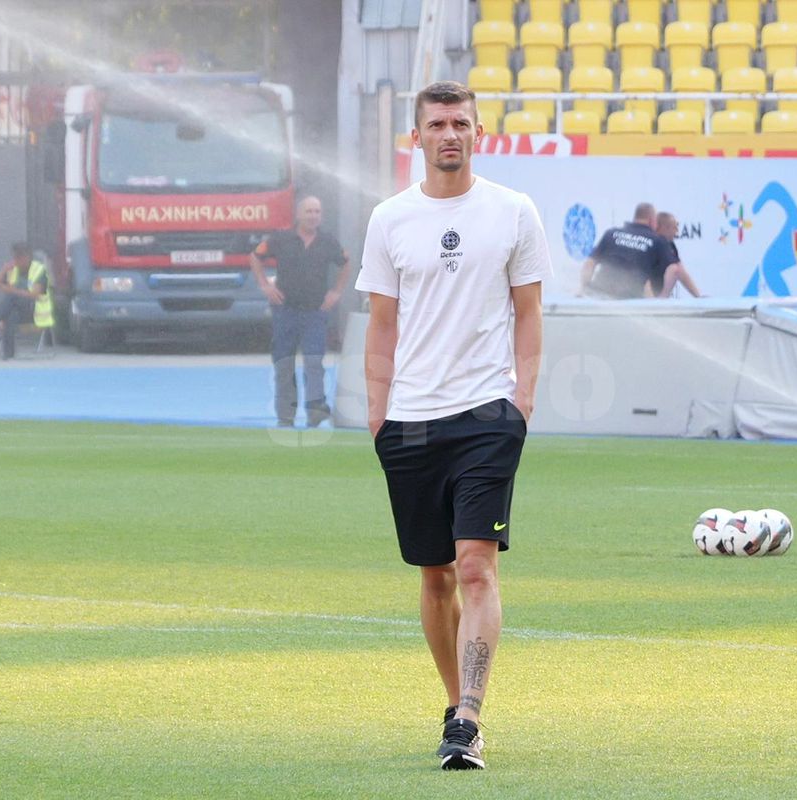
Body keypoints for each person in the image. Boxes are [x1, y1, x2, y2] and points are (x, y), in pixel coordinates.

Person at [356, 80, 551, 771]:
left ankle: (469, 715)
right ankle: (455, 706)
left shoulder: (513, 211)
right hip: (409, 420)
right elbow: (382, 325)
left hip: (487, 414)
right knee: (435, 574)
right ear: (417, 137)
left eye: (460, 123)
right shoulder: (390, 220)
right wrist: (378, 412)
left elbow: (529, 311)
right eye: (437, 124)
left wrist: (521, 400)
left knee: (474, 566)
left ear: (479, 133)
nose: (449, 134)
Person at [250, 196, 350, 427]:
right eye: (309, 211)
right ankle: (286, 415)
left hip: (315, 312)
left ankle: (316, 410)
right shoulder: (281, 239)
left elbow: (346, 262)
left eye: (317, 211)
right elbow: (256, 256)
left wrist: (336, 292)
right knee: (284, 363)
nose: (313, 216)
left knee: (314, 362)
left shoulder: (328, 241)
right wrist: (265, 285)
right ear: (298, 215)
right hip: (285, 311)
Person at [578, 202, 677, 298]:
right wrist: (660, 300)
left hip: (599, 291)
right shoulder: (657, 241)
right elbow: (674, 270)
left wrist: (583, 288)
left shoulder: (611, 233)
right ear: (651, 221)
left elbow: (590, 263)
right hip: (627, 298)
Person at [0, 242, 50, 360]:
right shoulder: (13, 270)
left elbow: (35, 295)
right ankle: (8, 354)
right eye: (15, 257)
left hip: (34, 311)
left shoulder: (39, 270)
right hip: (17, 310)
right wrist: (3, 271)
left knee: (11, 297)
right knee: (10, 314)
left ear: (27, 257)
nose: (16, 261)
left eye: (19, 258)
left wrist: (12, 290)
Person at [654, 211, 703, 298]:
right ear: (665, 228)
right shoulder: (652, 243)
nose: (677, 231)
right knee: (673, 269)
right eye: (675, 227)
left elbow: (681, 271)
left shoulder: (670, 245)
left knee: (675, 269)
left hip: (657, 292)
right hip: (643, 293)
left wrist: (699, 297)